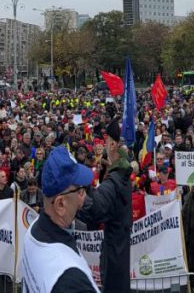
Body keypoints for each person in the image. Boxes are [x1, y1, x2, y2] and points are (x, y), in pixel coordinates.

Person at [21, 146, 97, 293]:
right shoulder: (72, 281)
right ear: (60, 204)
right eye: (80, 190)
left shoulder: (33, 230)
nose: (84, 196)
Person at [77, 120, 132, 293]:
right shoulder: (122, 175)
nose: (105, 146)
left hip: (113, 257)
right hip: (120, 253)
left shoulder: (114, 182)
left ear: (113, 145)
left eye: (106, 142)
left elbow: (94, 211)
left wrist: (82, 185)